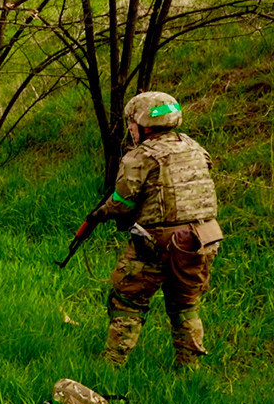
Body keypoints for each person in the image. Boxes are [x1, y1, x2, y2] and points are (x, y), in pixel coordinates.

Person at [92, 91, 223, 369]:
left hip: (159, 242)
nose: (130, 130)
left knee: (127, 298)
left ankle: (113, 363)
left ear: (143, 125)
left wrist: (103, 212)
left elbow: (123, 202)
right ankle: (188, 368)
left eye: (131, 124)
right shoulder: (195, 147)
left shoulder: (140, 156)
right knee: (185, 304)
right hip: (204, 240)